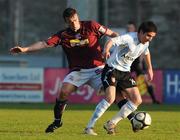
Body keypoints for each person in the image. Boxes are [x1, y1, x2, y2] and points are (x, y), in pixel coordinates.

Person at [9, 7, 119, 134]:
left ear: (77, 17)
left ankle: (125, 119)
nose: (74, 23)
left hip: (98, 69)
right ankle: (57, 121)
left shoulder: (91, 25)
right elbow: (44, 43)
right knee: (63, 91)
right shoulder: (63, 35)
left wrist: (116, 46)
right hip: (78, 71)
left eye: (75, 20)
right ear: (66, 21)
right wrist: (25, 49)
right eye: (70, 22)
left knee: (114, 94)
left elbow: (113, 34)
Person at [84, 21, 157, 135]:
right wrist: (106, 50)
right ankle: (89, 127)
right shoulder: (129, 38)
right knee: (110, 98)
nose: (150, 39)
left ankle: (111, 123)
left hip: (125, 73)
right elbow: (111, 41)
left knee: (137, 100)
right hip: (111, 70)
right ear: (141, 32)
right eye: (148, 35)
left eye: (152, 37)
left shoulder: (145, 43)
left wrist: (150, 69)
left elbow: (147, 53)